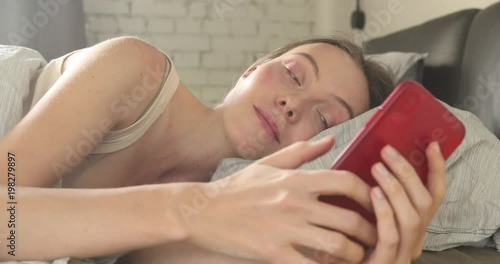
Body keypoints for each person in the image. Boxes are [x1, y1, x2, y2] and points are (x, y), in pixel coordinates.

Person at [0, 35, 446, 264]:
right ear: (252, 69)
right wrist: (193, 208)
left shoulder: (235, 216)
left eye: (323, 118)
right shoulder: (138, 71)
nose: (293, 105)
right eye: (293, 74)